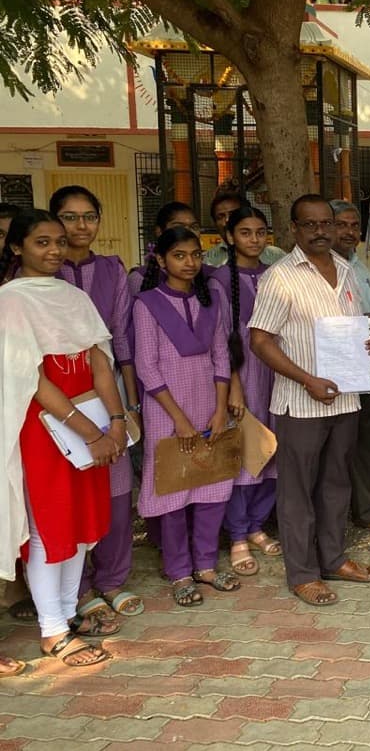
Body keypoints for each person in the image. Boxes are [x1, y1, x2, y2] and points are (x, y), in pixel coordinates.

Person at [1, 210, 123, 667]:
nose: (54, 250)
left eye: (59, 241)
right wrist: (89, 431)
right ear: (17, 248)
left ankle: (69, 613)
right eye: (41, 242)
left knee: (82, 523)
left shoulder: (75, 297)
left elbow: (100, 363)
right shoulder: (11, 301)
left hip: (91, 425)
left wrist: (116, 422)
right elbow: (32, 379)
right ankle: (52, 630)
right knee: (49, 527)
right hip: (43, 429)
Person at [248, 195, 370, 606]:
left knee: (336, 485)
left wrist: (366, 341)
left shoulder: (345, 270)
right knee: (298, 491)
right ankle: (303, 573)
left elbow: (350, 329)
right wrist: (307, 379)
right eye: (311, 224)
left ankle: (333, 559)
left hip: (345, 398)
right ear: (294, 228)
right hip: (301, 402)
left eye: (328, 223)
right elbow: (260, 340)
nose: (321, 231)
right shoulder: (280, 277)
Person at [49, 185, 144, 620]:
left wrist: (130, 399)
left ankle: (112, 578)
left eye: (89, 216)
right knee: (72, 486)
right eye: (69, 217)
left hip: (110, 388)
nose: (81, 226)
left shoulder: (111, 268)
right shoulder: (40, 274)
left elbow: (121, 335)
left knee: (117, 487)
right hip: (56, 391)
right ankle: (80, 586)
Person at [134, 226, 239, 607]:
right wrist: (178, 418)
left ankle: (206, 565)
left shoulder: (210, 299)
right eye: (179, 255)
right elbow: (146, 366)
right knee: (173, 491)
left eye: (196, 254)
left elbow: (221, 356)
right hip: (167, 411)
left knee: (212, 486)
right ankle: (179, 571)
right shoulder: (147, 303)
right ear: (161, 260)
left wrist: (219, 409)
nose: (190, 262)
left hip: (208, 406)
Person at [210, 206, 282, 577]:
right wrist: (234, 386)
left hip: (278, 371)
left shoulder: (275, 274)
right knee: (243, 453)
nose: (254, 239)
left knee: (273, 448)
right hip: (244, 374)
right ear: (229, 237)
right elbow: (222, 337)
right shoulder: (220, 280)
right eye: (245, 232)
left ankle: (257, 524)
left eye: (260, 232)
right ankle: (237, 533)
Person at [331, 200, 370, 535]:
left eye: (354, 225)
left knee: (367, 446)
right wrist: (360, 324)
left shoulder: (362, 268)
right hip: (337, 376)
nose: (349, 232)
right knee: (335, 449)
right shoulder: (319, 269)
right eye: (341, 224)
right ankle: (333, 517)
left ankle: (367, 511)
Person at [130, 202, 204, 294]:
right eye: (178, 227)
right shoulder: (139, 278)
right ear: (159, 231)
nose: (188, 232)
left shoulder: (210, 275)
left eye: (194, 227)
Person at [203, 190, 286, 268]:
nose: (227, 220)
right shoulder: (209, 260)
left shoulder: (276, 256)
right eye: (220, 217)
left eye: (233, 214)